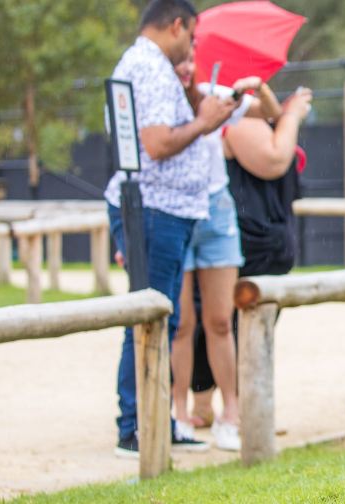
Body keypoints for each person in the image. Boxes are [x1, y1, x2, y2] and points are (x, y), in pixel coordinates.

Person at [104, 0, 237, 458]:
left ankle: (158, 420)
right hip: (155, 210)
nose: (192, 46)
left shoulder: (150, 66)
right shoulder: (149, 66)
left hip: (167, 210)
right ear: (177, 25)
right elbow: (157, 144)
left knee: (163, 317)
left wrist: (200, 105)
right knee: (150, 318)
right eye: (192, 36)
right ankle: (135, 426)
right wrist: (205, 123)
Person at [168, 47, 307, 451]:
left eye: (192, 57)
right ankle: (184, 412)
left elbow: (261, 112)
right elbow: (274, 158)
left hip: (218, 214)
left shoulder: (215, 92)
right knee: (186, 322)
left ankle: (232, 412)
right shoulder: (160, 100)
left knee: (217, 322)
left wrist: (259, 91)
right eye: (181, 59)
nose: (188, 66)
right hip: (185, 212)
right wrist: (292, 116)